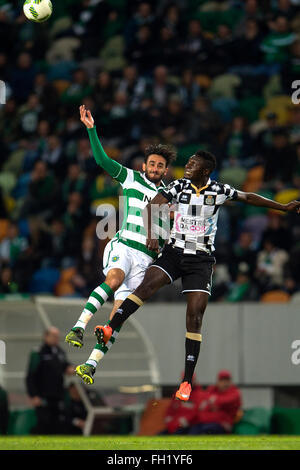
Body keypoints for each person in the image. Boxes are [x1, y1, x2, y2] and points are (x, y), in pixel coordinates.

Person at [92, 150, 300, 400]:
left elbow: (248, 197)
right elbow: (153, 205)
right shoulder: (179, 186)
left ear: (205, 171)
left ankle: (186, 382)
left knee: (195, 316)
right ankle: (108, 328)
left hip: (200, 261)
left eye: (192, 164)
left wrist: (282, 207)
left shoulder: (219, 191)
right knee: (145, 286)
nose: (186, 167)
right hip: (174, 253)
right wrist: (150, 233)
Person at [66, 105, 175, 384]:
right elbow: (102, 160)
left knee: (119, 316)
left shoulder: (170, 197)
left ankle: (90, 365)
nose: (155, 168)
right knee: (114, 279)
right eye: (151, 163)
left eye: (160, 165)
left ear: (165, 170)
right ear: (144, 166)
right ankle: (79, 327)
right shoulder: (131, 178)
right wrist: (91, 130)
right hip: (125, 246)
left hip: (147, 260)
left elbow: (169, 230)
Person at [26, 326, 74, 434]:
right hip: (43, 395)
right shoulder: (38, 353)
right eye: (54, 336)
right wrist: (33, 395)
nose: (57, 339)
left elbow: (65, 365)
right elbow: (30, 376)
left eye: (58, 336)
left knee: (58, 422)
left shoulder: (60, 352)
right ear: (46, 336)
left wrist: (71, 369)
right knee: (44, 423)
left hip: (57, 394)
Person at [188, 370, 241, 434]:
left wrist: (214, 401)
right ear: (218, 381)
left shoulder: (234, 392)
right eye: (222, 380)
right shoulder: (212, 389)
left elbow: (225, 401)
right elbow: (202, 404)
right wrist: (212, 402)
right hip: (206, 421)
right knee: (193, 431)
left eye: (227, 380)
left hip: (222, 424)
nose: (225, 383)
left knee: (208, 430)